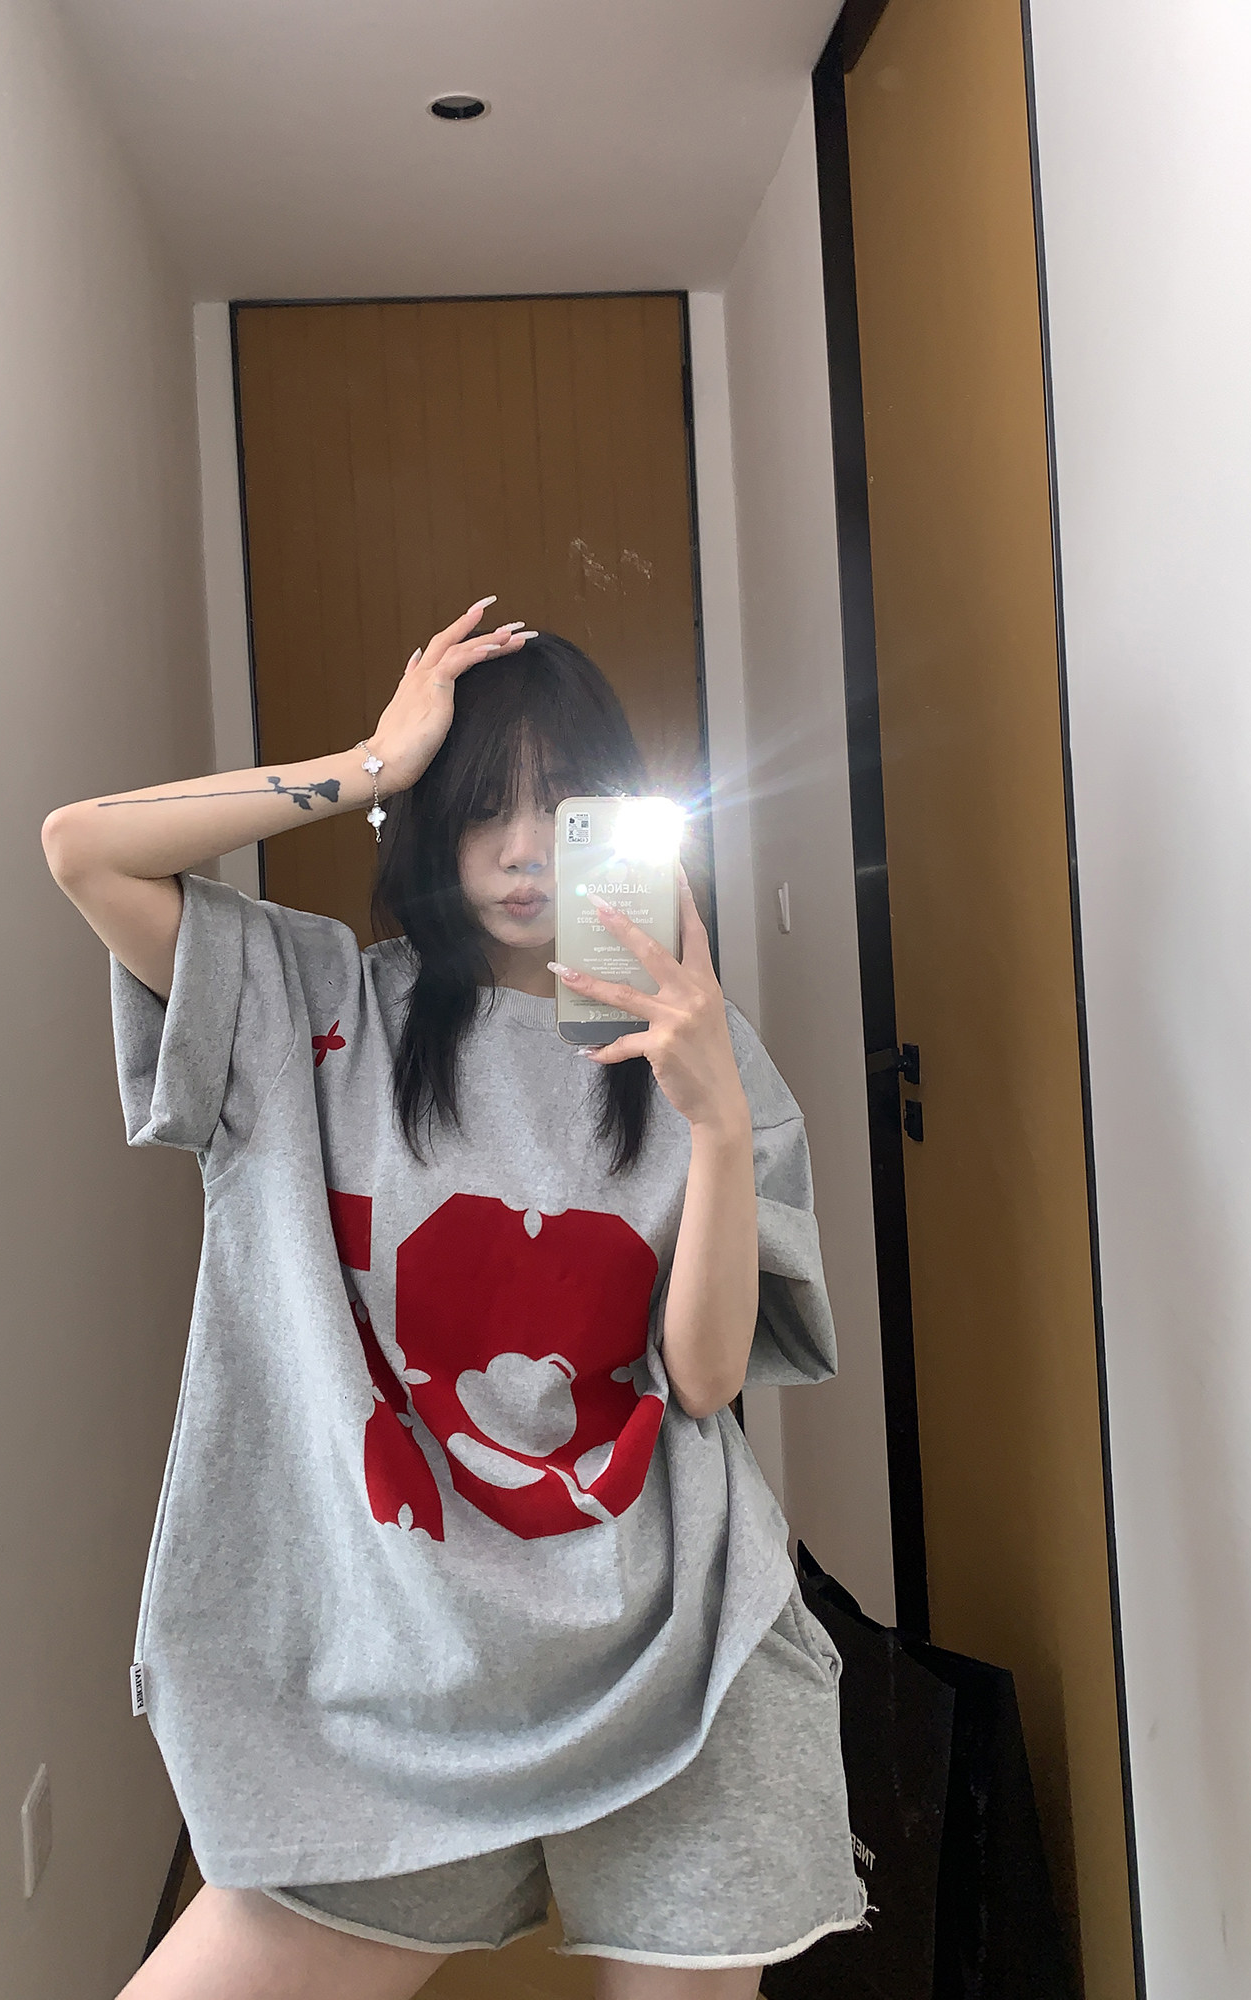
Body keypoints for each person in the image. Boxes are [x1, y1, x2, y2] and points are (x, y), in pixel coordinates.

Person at [42, 599, 863, 1999]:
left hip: (676, 1655)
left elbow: (706, 1379)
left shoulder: (693, 1050)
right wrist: (369, 761)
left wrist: (719, 1123)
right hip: (398, 1663)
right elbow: (84, 848)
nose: (524, 848)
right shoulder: (312, 1013)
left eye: (563, 805)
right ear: (429, 817)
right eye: (482, 804)